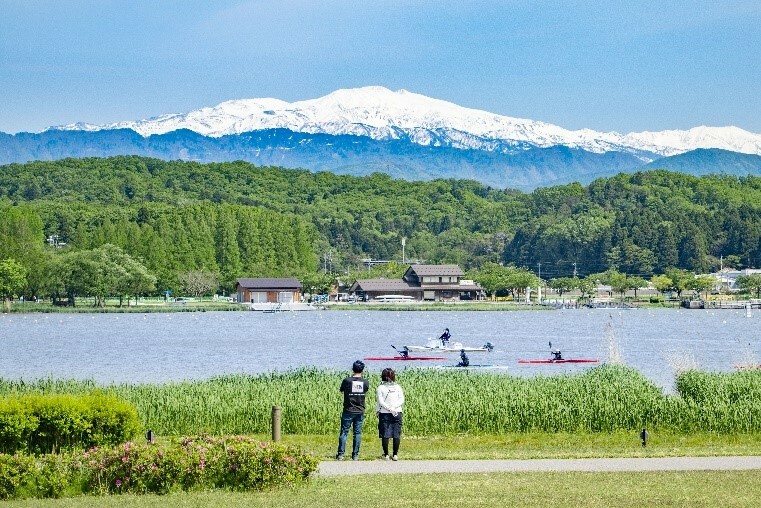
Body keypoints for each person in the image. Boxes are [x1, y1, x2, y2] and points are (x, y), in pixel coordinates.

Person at [336, 360, 370, 461]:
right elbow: (366, 390)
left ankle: (341, 454)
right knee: (357, 433)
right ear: (363, 370)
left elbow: (341, 390)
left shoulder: (347, 381)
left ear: (352, 369)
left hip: (348, 409)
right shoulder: (365, 382)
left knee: (344, 432)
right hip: (359, 410)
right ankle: (355, 455)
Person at [376, 367, 405, 461]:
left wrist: (389, 408)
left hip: (384, 413)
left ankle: (386, 455)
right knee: (396, 433)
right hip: (397, 412)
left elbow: (381, 402)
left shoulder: (381, 387)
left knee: (385, 433)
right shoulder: (398, 387)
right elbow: (401, 400)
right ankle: (395, 454)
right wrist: (394, 408)